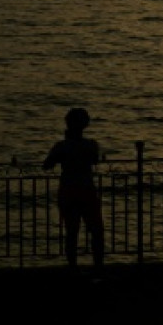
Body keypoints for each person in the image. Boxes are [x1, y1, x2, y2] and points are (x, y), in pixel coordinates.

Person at [43, 107, 105, 272]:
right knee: (96, 231)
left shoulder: (61, 146)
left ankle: (73, 268)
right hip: (87, 191)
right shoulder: (91, 145)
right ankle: (98, 266)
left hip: (69, 191)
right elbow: (94, 160)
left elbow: (47, 165)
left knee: (72, 233)